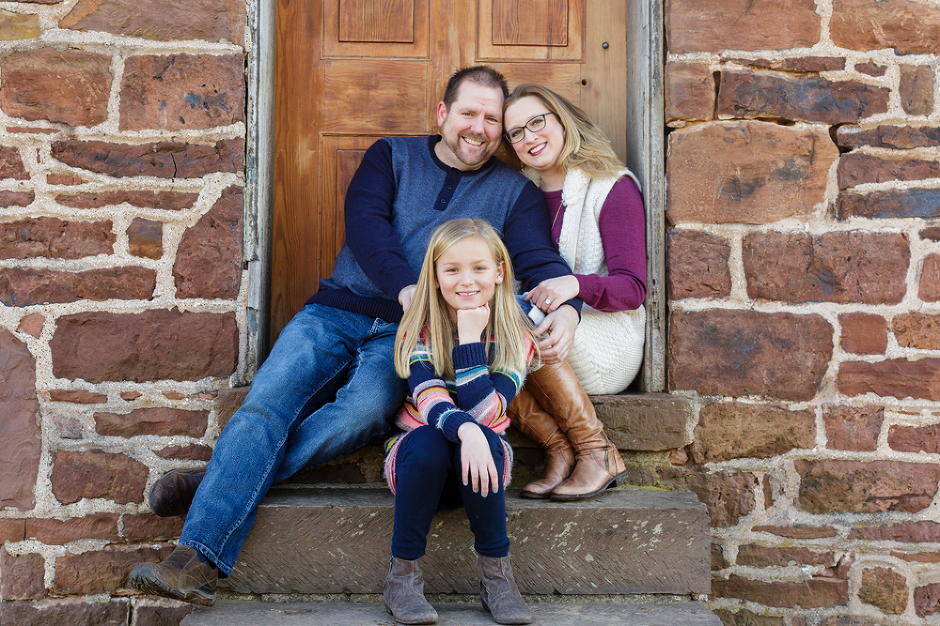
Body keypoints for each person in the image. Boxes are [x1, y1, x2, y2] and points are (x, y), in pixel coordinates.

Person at [128, 66, 582, 606]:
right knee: (264, 407)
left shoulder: (512, 192)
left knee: (360, 413)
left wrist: (571, 306)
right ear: (443, 114)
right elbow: (367, 227)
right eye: (468, 113)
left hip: (411, 338)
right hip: (336, 311)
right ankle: (195, 559)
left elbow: (536, 258)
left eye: (491, 119)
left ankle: (212, 487)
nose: (479, 128)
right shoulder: (390, 154)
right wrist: (409, 290)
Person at [383, 219, 535, 625]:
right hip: (420, 469)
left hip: (481, 470)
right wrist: (465, 429)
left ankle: (497, 580)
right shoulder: (418, 330)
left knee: (484, 433)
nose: (466, 281)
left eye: (479, 268)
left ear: (499, 272)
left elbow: (488, 413)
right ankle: (403, 580)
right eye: (452, 269)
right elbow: (429, 400)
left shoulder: (517, 336)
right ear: (434, 276)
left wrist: (471, 341)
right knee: (431, 440)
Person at [500, 84, 646, 501]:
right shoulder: (517, 191)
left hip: (604, 341)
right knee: (464, 322)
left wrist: (575, 285)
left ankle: (595, 450)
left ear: (562, 121)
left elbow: (633, 288)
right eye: (516, 133)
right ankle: (559, 449)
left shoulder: (610, 187)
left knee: (504, 319)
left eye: (536, 122)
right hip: (536, 333)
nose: (529, 137)